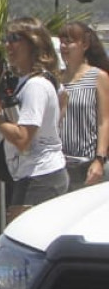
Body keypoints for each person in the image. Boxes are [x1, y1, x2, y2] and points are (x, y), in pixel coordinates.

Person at [0, 20, 70, 222]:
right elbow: (63, 99)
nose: (8, 45)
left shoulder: (36, 85)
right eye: (7, 39)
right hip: (38, 172)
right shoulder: (41, 80)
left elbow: (23, 139)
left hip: (39, 176)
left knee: (25, 243)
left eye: (15, 39)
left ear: (33, 43)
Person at [56, 22, 109, 191]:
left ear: (84, 45)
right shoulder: (57, 79)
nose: (64, 46)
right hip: (59, 163)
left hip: (87, 164)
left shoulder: (98, 77)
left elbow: (104, 120)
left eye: (69, 41)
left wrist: (100, 159)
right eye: (62, 41)